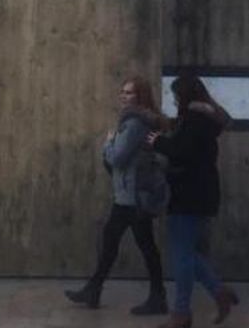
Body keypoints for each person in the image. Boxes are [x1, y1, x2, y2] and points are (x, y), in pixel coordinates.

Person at [65, 75, 170, 314]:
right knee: (126, 242)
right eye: (122, 92)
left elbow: (117, 158)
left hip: (132, 197)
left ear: (140, 96)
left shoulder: (134, 125)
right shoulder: (135, 121)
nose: (123, 96)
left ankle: (155, 296)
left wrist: (108, 142)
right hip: (130, 195)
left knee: (132, 244)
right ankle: (96, 289)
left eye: (129, 92)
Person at [146, 74, 239, 328]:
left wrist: (157, 142)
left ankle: (182, 314)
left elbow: (181, 152)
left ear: (185, 95)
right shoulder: (205, 119)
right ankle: (219, 293)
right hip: (200, 194)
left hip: (189, 195)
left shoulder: (194, 120)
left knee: (182, 256)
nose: (174, 99)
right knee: (188, 253)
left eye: (176, 94)